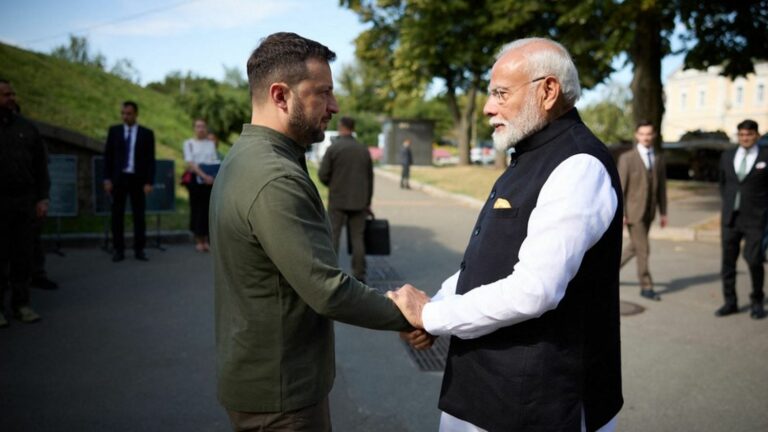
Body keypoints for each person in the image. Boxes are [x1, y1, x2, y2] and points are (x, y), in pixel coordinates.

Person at [388, 38, 623, 431]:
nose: (487, 107)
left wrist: (432, 314)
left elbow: (534, 290)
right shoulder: (532, 154)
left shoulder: (578, 164)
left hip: (535, 404)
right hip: (488, 392)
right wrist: (435, 307)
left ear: (548, 91)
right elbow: (488, 263)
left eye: (500, 93)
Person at [209, 32, 411, 430]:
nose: (334, 106)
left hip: (265, 377)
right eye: (323, 93)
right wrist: (408, 315)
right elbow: (328, 289)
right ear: (281, 96)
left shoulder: (250, 155)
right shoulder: (274, 177)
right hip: (281, 394)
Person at [0, 79, 49, 326]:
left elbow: (40, 167)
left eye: (12, 93)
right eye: (6, 94)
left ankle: (21, 304)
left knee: (22, 255)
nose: (11, 98)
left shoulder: (26, 128)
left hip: (23, 201)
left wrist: (42, 197)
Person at [716, 119, 767, 320]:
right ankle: (730, 302)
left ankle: (757, 301)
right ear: (738, 136)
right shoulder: (727, 156)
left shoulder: (765, 156)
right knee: (727, 263)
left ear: (757, 136)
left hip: (755, 218)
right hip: (730, 218)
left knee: (754, 259)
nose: (745, 138)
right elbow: (723, 184)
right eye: (742, 135)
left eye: (749, 134)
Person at [318, 116, 373, 282]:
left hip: (338, 199)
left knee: (333, 236)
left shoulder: (334, 148)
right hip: (359, 201)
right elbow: (370, 178)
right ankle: (359, 274)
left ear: (341, 127)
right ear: (353, 128)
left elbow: (322, 174)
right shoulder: (363, 149)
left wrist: (332, 185)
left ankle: (332, 274)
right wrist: (367, 201)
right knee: (358, 238)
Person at [618, 121, 668, 301]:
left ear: (653, 136)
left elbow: (661, 187)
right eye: (642, 134)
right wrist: (621, 213)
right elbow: (620, 188)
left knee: (634, 247)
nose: (646, 137)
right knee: (643, 249)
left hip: (650, 212)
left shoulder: (659, 158)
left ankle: (606, 272)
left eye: (649, 134)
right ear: (637, 135)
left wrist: (663, 212)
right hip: (633, 212)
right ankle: (646, 286)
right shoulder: (627, 158)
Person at [103, 101, 155, 262]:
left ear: (135, 114)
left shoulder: (146, 133)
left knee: (139, 216)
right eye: (123, 113)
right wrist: (107, 179)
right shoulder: (114, 131)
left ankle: (139, 249)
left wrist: (148, 182)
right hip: (119, 179)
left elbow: (150, 160)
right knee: (117, 215)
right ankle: (118, 249)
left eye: (129, 114)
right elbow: (108, 157)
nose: (125, 116)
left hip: (137, 180)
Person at [182, 119, 219, 252]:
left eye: (203, 126)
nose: (201, 129)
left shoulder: (210, 144)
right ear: (194, 128)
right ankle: (199, 240)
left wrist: (212, 177)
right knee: (197, 210)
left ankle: (207, 239)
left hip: (209, 181)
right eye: (198, 126)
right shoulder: (189, 143)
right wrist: (204, 176)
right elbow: (191, 163)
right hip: (196, 181)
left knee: (208, 210)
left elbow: (214, 161)